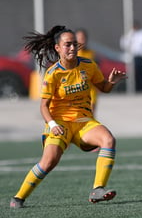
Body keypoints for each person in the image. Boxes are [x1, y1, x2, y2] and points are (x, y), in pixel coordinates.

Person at [10, 25, 126, 208]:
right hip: (59, 124)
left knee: (108, 140)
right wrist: (53, 124)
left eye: (75, 44)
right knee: (48, 162)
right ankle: (18, 197)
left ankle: (98, 189)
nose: (72, 48)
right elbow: (43, 106)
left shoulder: (88, 65)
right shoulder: (53, 73)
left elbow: (103, 88)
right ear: (58, 48)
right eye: (68, 45)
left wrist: (111, 82)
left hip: (83, 121)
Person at [120, 20, 142, 91]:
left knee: (140, 72)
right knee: (133, 73)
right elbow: (124, 44)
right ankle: (135, 87)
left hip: (139, 56)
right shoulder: (130, 34)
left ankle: (141, 87)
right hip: (132, 56)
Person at [76, 28, 98, 113]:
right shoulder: (72, 54)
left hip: (90, 88)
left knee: (90, 115)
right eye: (79, 38)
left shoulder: (91, 54)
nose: (81, 40)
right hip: (76, 90)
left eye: (83, 38)